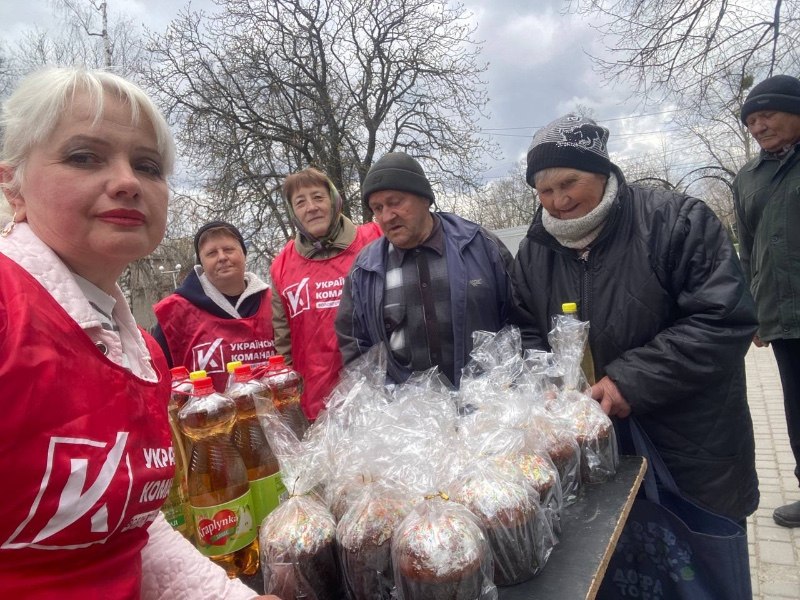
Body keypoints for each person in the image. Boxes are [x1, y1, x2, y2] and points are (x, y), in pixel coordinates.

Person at [0, 67, 277, 598]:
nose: (127, 181)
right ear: (13, 187)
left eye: (147, 166)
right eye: (85, 157)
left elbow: (130, 530)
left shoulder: (144, 356)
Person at [513, 114, 759, 590]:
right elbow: (525, 331)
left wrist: (631, 379)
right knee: (618, 571)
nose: (558, 201)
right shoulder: (534, 250)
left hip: (689, 446)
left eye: (569, 182)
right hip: (598, 454)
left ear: (603, 172)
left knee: (701, 576)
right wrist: (544, 385)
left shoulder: (677, 220)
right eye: (544, 191)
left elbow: (723, 319)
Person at [335, 151, 516, 387]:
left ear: (425, 199)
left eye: (395, 202)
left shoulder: (479, 245)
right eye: (377, 208)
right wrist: (386, 399)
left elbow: (518, 320)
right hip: (407, 415)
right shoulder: (365, 270)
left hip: (487, 407)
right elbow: (356, 348)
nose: (387, 216)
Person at [734, 74, 800, 528]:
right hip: (783, 317)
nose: (758, 127)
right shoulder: (748, 178)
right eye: (751, 121)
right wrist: (750, 310)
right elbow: (747, 246)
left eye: (767, 115)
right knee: (797, 410)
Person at [270, 167, 382, 420]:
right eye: (300, 202)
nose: (311, 207)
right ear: (293, 213)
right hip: (317, 406)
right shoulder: (282, 266)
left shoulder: (374, 239)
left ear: (333, 201)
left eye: (318, 197)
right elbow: (283, 344)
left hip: (378, 396)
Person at [153, 220, 275, 392]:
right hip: (210, 417)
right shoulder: (174, 313)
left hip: (277, 415)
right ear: (201, 264)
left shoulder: (274, 302)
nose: (222, 257)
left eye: (228, 249)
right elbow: (157, 380)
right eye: (211, 253)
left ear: (244, 254)